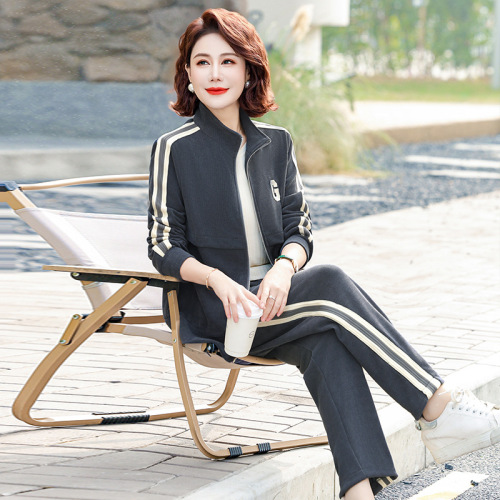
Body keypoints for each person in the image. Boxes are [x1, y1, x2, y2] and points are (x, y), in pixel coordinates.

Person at [147, 8, 500, 499]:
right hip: (219, 310)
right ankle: (436, 404)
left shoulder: (276, 143)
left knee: (328, 345)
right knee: (331, 282)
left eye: (228, 61)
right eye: (202, 62)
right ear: (187, 72)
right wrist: (219, 281)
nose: (214, 74)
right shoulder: (175, 148)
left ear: (248, 70)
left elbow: (300, 227)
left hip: (279, 302)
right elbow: (162, 242)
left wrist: (284, 269)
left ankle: (359, 493)